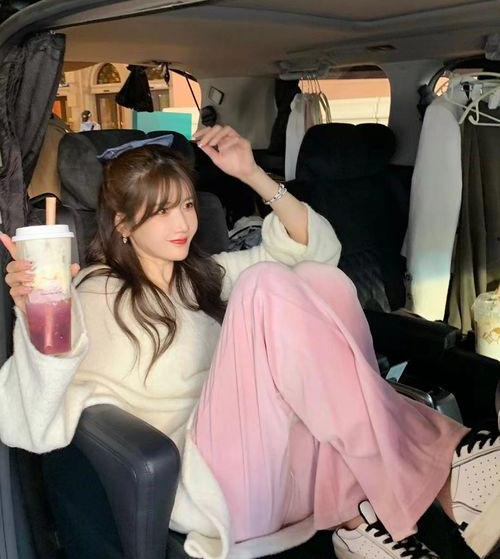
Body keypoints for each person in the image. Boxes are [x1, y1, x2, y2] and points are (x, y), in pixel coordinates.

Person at [0, 125, 499, 559]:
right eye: (161, 211)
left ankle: (356, 524)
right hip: (210, 487)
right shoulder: (93, 292)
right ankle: (444, 466)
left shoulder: (204, 275)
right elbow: (33, 424)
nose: (183, 224)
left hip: (279, 466)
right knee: (265, 282)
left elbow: (319, 252)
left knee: (319, 280)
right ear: (123, 224)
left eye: (187, 205)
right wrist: (40, 312)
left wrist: (253, 175)